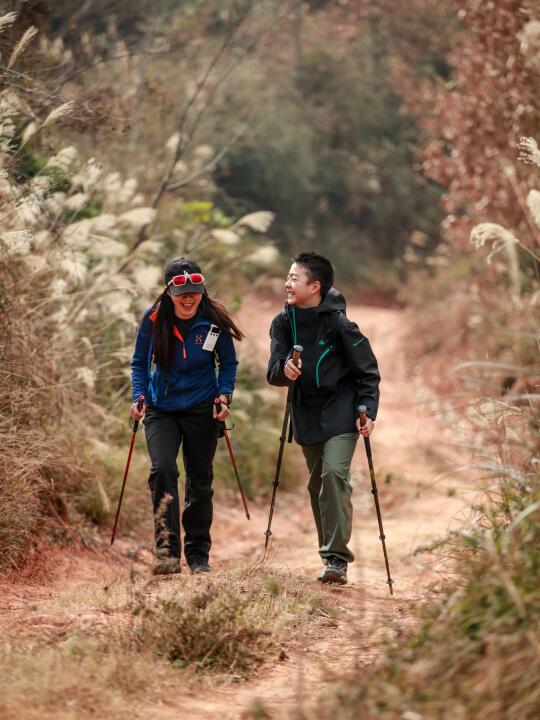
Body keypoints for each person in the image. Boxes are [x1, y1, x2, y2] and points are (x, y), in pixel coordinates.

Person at [267, 251, 380, 585]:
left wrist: (367, 410)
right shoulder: (282, 323)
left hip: (342, 410)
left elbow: (368, 371)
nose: (287, 283)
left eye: (294, 278)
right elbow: (273, 372)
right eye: (287, 277)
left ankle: (336, 559)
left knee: (333, 475)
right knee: (318, 483)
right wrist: (284, 370)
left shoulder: (340, 325)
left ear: (314, 286)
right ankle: (329, 555)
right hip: (306, 412)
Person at [130, 257, 243, 575]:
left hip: (202, 410)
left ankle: (197, 556)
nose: (189, 297)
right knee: (163, 470)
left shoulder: (214, 321)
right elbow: (139, 364)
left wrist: (224, 395)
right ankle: (166, 552)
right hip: (161, 410)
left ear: (202, 289)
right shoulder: (153, 321)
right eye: (182, 293)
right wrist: (138, 397)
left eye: (195, 290)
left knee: (200, 480)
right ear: (169, 293)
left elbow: (228, 364)